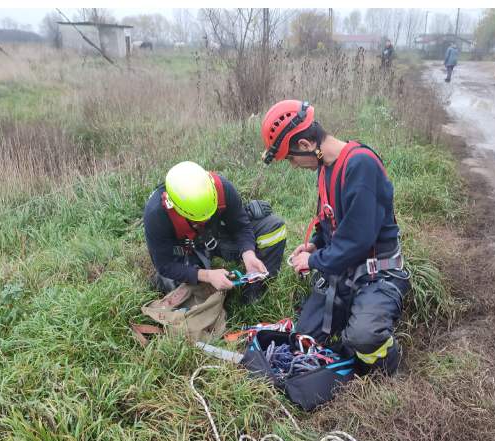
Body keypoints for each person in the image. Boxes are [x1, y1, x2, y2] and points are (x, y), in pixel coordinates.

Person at [260, 100, 409, 374]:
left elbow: (357, 241)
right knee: (306, 336)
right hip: (344, 271)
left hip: (377, 274)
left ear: (305, 145)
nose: (293, 165)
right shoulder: (326, 167)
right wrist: (315, 243)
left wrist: (313, 261)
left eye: (291, 158)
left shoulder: (360, 165)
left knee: (362, 336)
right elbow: (331, 223)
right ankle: (354, 313)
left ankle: (387, 362)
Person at [143, 161, 287, 304]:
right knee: (187, 292)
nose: (204, 220)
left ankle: (253, 293)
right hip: (187, 251)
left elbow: (241, 226)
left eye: (208, 215)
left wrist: (248, 253)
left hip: (216, 236)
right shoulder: (156, 213)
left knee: (273, 226)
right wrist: (206, 275)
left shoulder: (222, 188)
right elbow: (165, 264)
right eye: (196, 218)